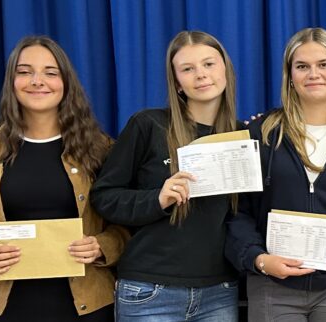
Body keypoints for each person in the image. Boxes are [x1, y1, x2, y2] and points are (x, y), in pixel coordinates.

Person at [0, 35, 128, 321]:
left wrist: (102, 246)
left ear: (66, 83)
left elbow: (129, 223)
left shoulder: (101, 150)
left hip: (89, 305)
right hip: (8, 306)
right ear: (12, 82)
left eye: (50, 72)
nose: (36, 80)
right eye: (24, 71)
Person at [225, 28, 326, 322]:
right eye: (302, 66)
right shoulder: (261, 134)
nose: (313, 74)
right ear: (290, 76)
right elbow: (237, 211)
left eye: (323, 64)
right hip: (272, 285)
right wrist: (258, 259)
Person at [90, 30, 240, 321]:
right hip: (150, 291)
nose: (201, 75)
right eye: (188, 69)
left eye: (209, 64)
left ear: (225, 69)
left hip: (219, 291)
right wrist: (156, 199)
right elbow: (104, 196)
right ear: (177, 83)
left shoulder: (242, 138)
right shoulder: (148, 125)